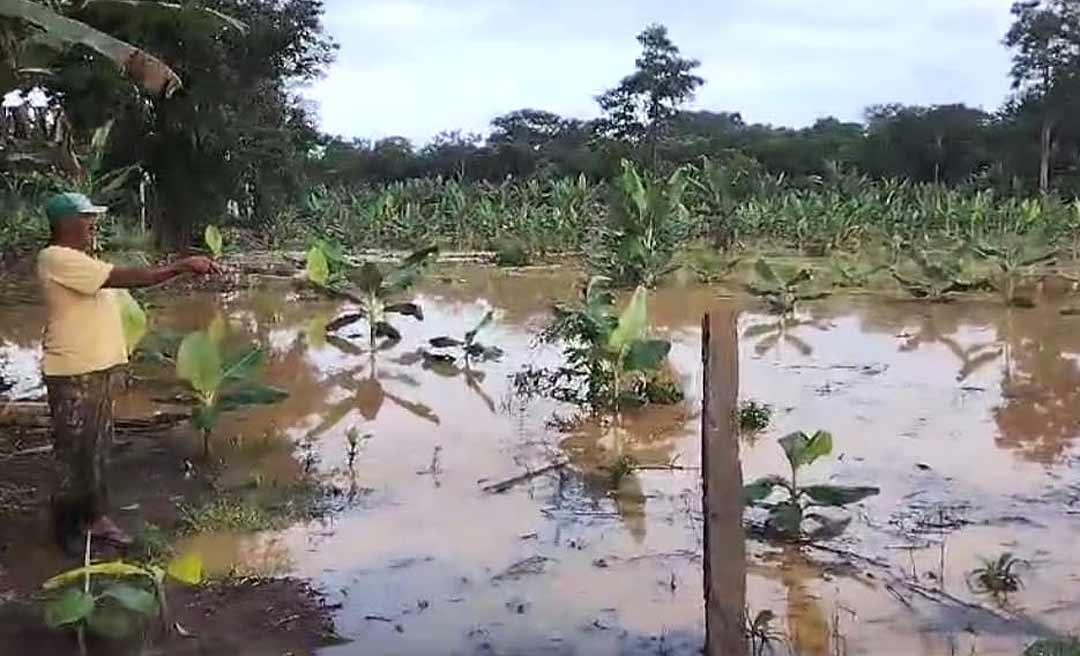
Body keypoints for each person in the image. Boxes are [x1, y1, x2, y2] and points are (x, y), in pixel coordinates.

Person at [38, 192, 219, 553]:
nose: (92, 224)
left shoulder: (78, 259)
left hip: (98, 371)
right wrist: (181, 266)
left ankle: (97, 519)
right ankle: (67, 532)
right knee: (75, 455)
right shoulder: (56, 258)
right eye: (86, 218)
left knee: (98, 451)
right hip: (75, 374)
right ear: (67, 223)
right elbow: (129, 277)